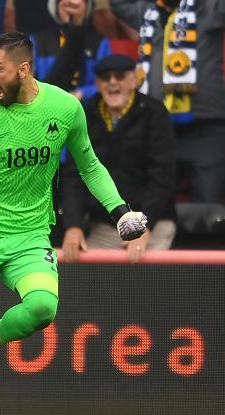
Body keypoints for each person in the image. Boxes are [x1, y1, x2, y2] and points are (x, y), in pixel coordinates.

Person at [0, 32, 147, 415]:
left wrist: (120, 212)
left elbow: (90, 167)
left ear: (24, 69)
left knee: (44, 308)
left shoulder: (65, 108)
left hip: (30, 233)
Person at [62, 54, 177, 263]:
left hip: (153, 224)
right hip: (105, 226)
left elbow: (163, 176)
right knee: (101, 288)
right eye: (106, 77)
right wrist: (73, 225)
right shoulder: (85, 114)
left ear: (134, 80)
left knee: (147, 287)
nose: (113, 82)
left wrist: (143, 229)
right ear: (97, 83)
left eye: (120, 76)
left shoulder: (154, 113)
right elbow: (73, 175)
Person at [111, 0, 225, 203]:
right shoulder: (147, 12)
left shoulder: (208, 8)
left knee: (208, 211)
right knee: (156, 208)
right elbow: (118, 4)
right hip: (159, 130)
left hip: (204, 129)